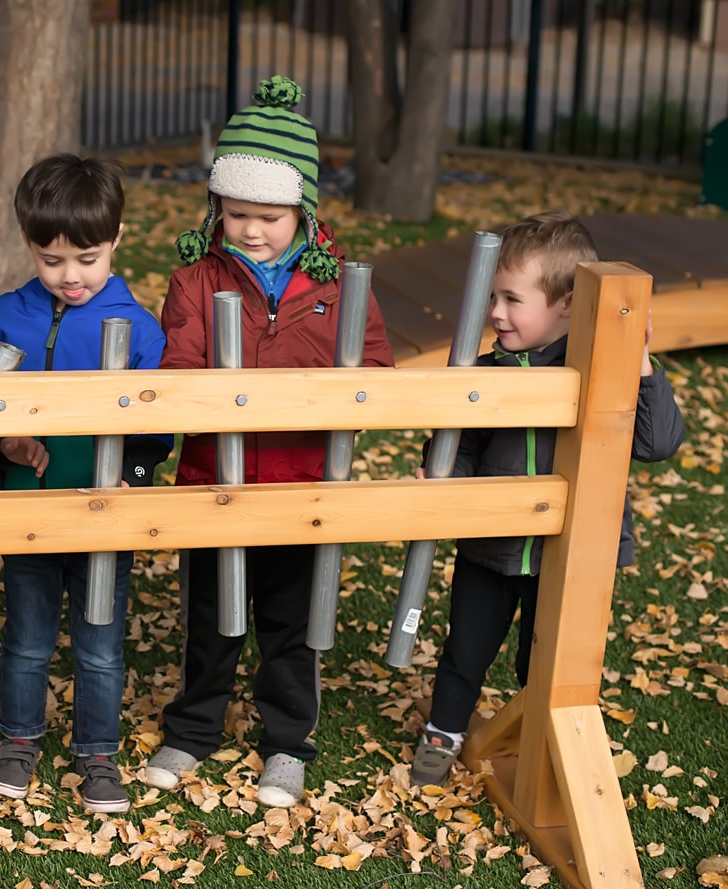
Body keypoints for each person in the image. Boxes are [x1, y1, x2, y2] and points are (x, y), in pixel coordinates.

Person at [140, 75, 395, 808]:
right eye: (236, 212)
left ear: (304, 212)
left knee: (290, 621)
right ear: (216, 207)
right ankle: (193, 727)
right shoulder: (194, 276)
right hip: (214, 483)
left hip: (300, 484)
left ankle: (288, 740)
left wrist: (324, 397)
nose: (251, 230)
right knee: (209, 622)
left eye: (270, 216)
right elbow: (180, 366)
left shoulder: (339, 286)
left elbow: (370, 370)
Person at [409, 210, 685, 786]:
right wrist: (443, 480)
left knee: (547, 662)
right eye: (492, 297)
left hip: (569, 556)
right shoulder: (488, 372)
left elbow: (657, 445)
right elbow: (460, 448)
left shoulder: (603, 371)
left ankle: (543, 737)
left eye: (512, 299)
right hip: (492, 545)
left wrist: (637, 363)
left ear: (564, 303)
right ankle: (444, 733)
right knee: (466, 648)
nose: (495, 313)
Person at [0, 153, 171, 814]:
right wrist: (5, 442)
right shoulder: (5, 318)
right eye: (50, 258)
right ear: (29, 244)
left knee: (99, 646)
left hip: (102, 517)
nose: (70, 275)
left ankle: (98, 751)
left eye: (86, 257)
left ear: (115, 239)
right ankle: (19, 739)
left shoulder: (141, 332)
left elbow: (155, 432)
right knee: (27, 638)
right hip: (29, 510)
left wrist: (127, 474)